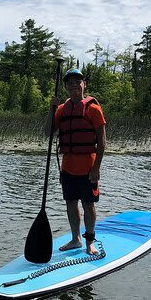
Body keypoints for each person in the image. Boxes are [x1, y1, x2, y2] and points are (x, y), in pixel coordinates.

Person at [45, 68, 107, 255]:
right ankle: (75, 239)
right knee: (71, 203)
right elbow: (48, 132)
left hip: (88, 168)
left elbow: (102, 142)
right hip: (68, 168)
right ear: (65, 86)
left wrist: (96, 168)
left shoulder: (93, 109)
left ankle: (90, 241)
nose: (74, 85)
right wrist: (52, 109)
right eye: (70, 82)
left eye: (77, 81)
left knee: (88, 205)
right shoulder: (62, 110)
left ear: (84, 84)